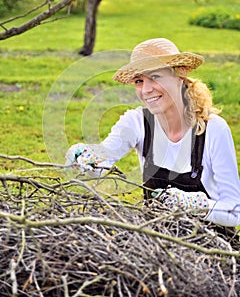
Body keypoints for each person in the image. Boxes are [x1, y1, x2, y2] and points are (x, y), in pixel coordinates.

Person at [65, 38, 240, 228]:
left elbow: (235, 211)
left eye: (155, 77)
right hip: (155, 246)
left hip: (210, 247)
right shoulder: (136, 122)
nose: (146, 90)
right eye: (139, 81)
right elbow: (103, 160)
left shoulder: (213, 130)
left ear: (179, 77)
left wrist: (197, 206)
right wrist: (85, 156)